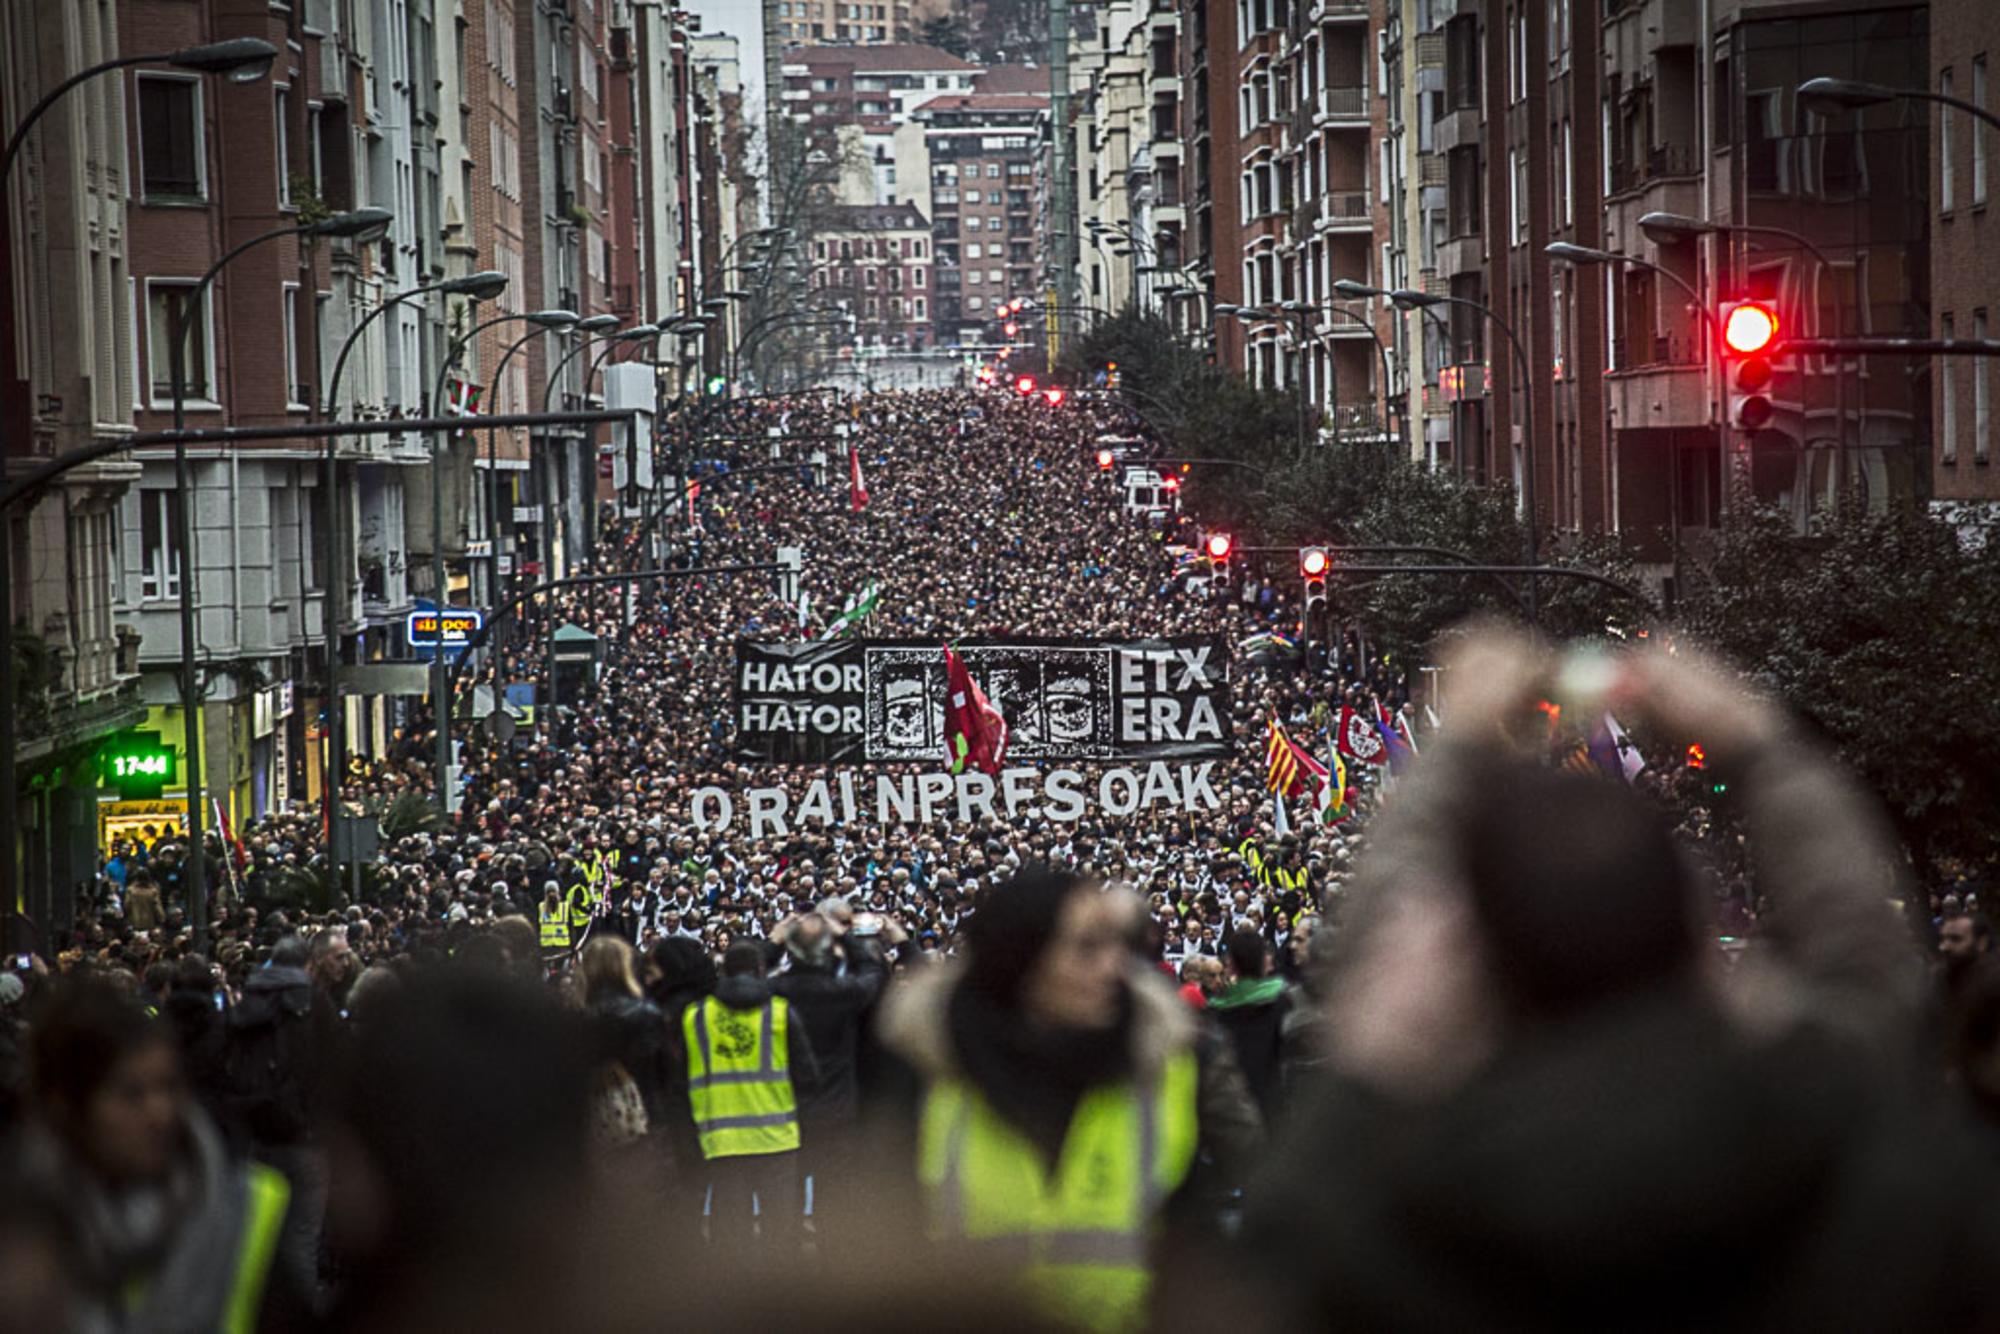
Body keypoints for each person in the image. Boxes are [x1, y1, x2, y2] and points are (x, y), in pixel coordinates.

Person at [1241, 630, 2000, 1332]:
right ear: (1700, 941)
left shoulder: (1385, 1217)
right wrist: (1760, 742)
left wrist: (1456, 744)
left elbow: (1291, 1223)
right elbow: (1868, 963)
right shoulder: (1856, 1156)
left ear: (1459, 969)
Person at [877, 868, 1216, 1334]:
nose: (1114, 967)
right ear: (1019, 958)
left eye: (1116, 945)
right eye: (1086, 948)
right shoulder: (925, 1072)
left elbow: (1198, 1251)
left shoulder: (1164, 1069)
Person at [9, 977, 299, 1330]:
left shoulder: (245, 1210)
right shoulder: (23, 1230)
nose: (159, 1113)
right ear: (67, 1107)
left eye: (168, 1086)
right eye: (131, 1094)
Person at [768, 910, 894, 1249]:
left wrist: (774, 941)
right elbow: (872, 971)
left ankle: (785, 1263)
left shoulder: (774, 990)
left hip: (785, 1104)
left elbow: (747, 975)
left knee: (786, 1194)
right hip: (836, 1105)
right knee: (832, 1192)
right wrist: (843, 936)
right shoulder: (843, 992)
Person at [683, 939, 818, 1247]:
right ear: (760, 970)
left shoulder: (697, 1017)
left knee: (729, 1239)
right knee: (780, 1237)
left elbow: (680, 1081)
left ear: (724, 970)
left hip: (719, 1140)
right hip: (777, 1138)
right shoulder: (781, 1013)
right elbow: (809, 1077)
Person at [1208, 929, 1293, 1125]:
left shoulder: (1215, 1011)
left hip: (1233, 1111)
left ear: (1231, 965)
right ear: (1264, 961)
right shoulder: (1283, 1002)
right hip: (1274, 1108)